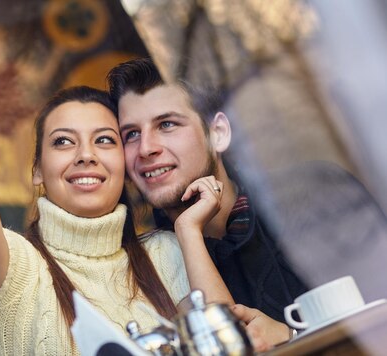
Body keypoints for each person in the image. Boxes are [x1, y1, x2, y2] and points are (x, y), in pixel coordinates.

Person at [0, 27, 235, 355]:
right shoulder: (17, 267)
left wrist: (187, 232)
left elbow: (227, 343)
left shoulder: (168, 253)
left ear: (124, 164)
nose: (86, 155)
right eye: (64, 143)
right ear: (36, 171)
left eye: (104, 140)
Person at [106, 57, 309, 348]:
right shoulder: (149, 267)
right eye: (132, 134)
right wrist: (187, 230)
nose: (146, 148)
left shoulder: (303, 201)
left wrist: (293, 338)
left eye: (167, 124)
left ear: (218, 133)